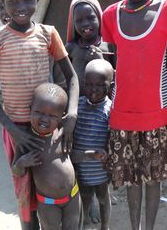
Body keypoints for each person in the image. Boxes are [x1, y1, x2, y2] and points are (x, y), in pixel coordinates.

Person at [0, 0, 79, 230]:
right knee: (25, 192)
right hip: (17, 128)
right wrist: (12, 129)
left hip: (49, 124)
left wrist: (71, 115)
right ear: (2, 3)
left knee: (56, 180)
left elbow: (72, 78)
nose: (20, 6)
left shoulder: (48, 34)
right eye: (12, 1)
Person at [101, 0, 167, 230]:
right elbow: (113, 64)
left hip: (158, 114)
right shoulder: (111, 15)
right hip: (121, 115)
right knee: (130, 180)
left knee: (153, 179)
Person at [13, 83, 107, 230]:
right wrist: (22, 163)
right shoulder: (26, 140)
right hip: (48, 202)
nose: (45, 119)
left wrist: (90, 155)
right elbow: (16, 170)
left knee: (73, 227)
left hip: (73, 196)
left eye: (52, 116)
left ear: (61, 117)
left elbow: (71, 156)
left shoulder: (62, 133)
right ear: (30, 109)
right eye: (39, 112)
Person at [71, 59, 113, 230]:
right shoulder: (78, 106)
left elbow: (112, 138)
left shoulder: (111, 110)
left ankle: (105, 226)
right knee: (84, 197)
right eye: (88, 84)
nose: (93, 90)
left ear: (110, 85)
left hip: (101, 169)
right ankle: (85, 224)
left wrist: (107, 154)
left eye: (99, 85)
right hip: (81, 167)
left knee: (103, 198)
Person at [66, 0, 115, 96]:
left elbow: (118, 78)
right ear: (73, 23)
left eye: (91, 18)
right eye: (79, 21)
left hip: (103, 105)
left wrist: (101, 61)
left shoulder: (109, 45)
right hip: (78, 104)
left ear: (99, 17)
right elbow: (63, 77)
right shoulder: (71, 48)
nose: (85, 24)